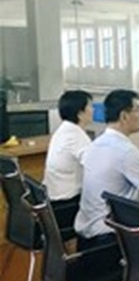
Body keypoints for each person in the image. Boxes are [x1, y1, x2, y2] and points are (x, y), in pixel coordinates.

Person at [75, 90, 139, 251]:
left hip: (88, 234)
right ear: (124, 116)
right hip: (113, 238)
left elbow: (128, 177)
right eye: (138, 110)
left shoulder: (96, 144)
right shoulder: (125, 151)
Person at [44, 90, 93, 232]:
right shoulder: (75, 135)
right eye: (90, 106)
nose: (93, 110)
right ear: (80, 113)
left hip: (54, 201)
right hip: (68, 205)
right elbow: (95, 166)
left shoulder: (63, 130)